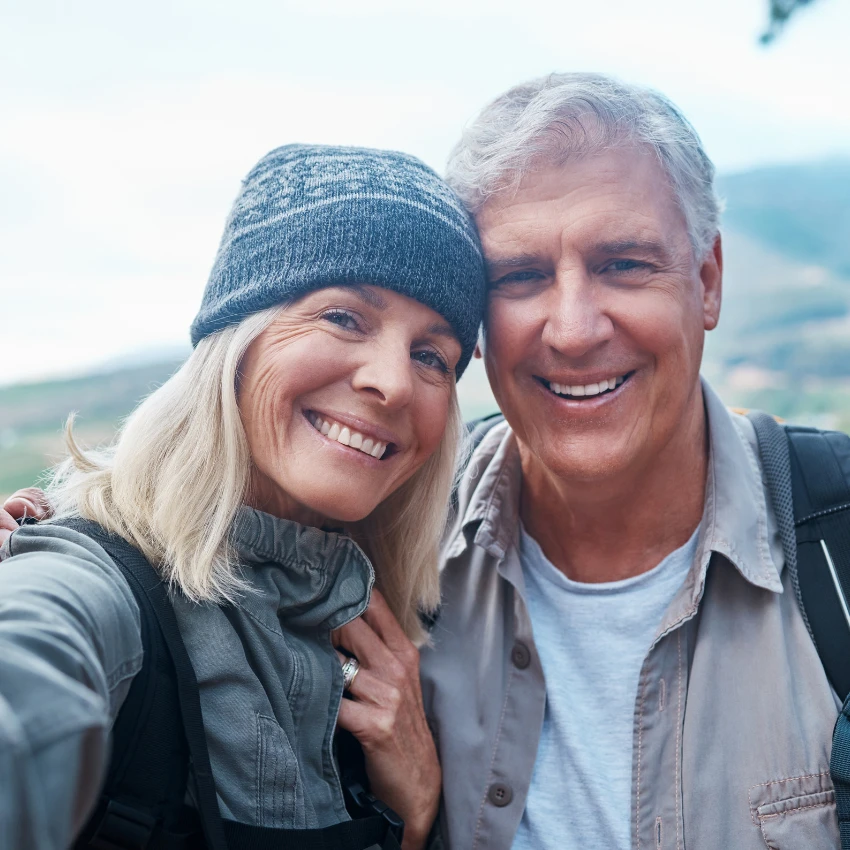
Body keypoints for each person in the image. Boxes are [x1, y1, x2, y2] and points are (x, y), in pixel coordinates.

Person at [0, 143, 486, 850]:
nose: (393, 382)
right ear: (239, 336)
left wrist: (410, 817)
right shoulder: (92, 578)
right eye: (344, 317)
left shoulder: (389, 625)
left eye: (431, 355)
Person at [416, 73, 841, 849]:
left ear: (707, 282)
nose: (574, 330)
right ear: (473, 320)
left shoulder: (836, 542)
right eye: (521, 277)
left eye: (623, 265)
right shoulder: (393, 545)